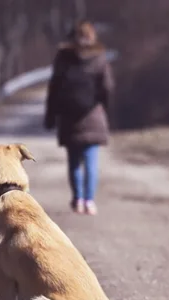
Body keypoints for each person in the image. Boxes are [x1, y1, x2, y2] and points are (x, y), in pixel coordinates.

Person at [44, 20, 115, 216]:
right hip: (93, 115)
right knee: (91, 163)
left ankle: (77, 200)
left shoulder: (63, 58)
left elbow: (54, 88)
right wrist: (104, 107)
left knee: (74, 162)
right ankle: (89, 201)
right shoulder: (99, 57)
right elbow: (107, 87)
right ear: (93, 37)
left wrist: (50, 115)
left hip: (69, 118)